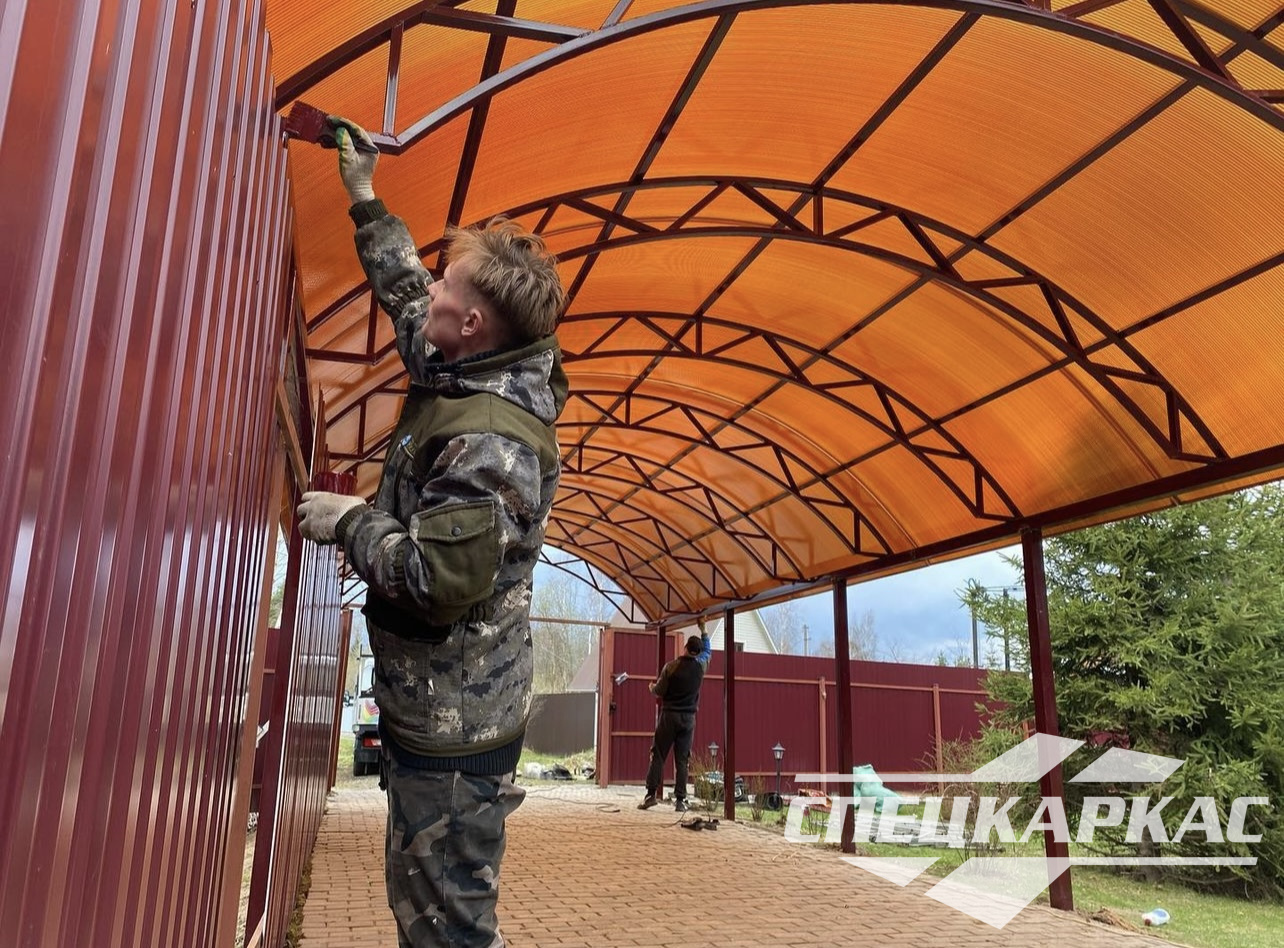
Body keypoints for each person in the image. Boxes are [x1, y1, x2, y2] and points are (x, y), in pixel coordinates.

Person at [296, 116, 567, 948]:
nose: (433, 291)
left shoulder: (489, 442)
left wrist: (351, 520)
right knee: (432, 913)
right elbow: (410, 298)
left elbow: (435, 582)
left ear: (474, 324)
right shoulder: (467, 364)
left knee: (447, 927)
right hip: (438, 708)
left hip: (457, 724)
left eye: (450, 284)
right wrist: (365, 199)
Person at [639, 622, 713, 812]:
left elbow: (659, 690)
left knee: (658, 754)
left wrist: (651, 688)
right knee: (682, 760)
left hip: (669, 716)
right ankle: (680, 801)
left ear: (685, 648)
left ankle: (650, 795)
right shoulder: (701, 667)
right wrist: (704, 630)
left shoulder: (670, 667)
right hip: (688, 719)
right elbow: (708, 651)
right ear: (698, 652)